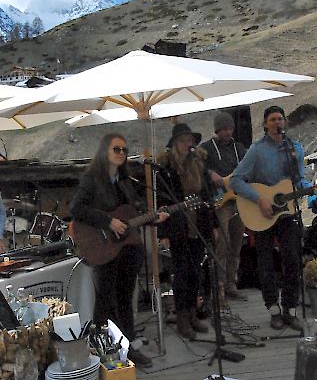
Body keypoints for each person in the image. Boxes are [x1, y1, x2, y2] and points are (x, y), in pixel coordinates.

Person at [70, 133, 167, 368]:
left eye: (124, 150)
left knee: (125, 298)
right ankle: (101, 350)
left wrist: (154, 218)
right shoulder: (92, 178)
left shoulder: (125, 180)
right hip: (103, 246)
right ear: (105, 152)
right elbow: (76, 208)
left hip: (127, 249)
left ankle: (128, 347)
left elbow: (132, 214)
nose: (122, 154)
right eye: (116, 149)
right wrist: (107, 221)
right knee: (104, 301)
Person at [230, 106, 317, 331]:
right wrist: (260, 199)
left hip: (287, 213)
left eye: (281, 118)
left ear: (285, 122)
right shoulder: (256, 151)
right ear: (266, 124)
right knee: (266, 263)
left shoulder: (295, 149)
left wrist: (312, 188)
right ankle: (273, 309)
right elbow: (236, 181)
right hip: (260, 213)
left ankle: (290, 309)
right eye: (273, 119)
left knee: (292, 259)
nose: (278, 122)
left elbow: (298, 182)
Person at [157, 123, 217, 340]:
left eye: (189, 140)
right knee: (181, 272)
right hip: (177, 225)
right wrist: (163, 232)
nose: (187, 144)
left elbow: (209, 194)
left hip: (199, 224)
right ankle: (182, 317)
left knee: (196, 271)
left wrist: (215, 225)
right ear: (175, 143)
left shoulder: (199, 163)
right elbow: (162, 202)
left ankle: (192, 314)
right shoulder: (166, 169)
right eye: (183, 141)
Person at [200, 111, 247, 304]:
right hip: (220, 203)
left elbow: (248, 166)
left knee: (236, 244)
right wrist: (210, 172)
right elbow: (196, 166)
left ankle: (231, 284)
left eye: (230, 128)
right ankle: (218, 287)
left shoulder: (239, 148)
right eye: (224, 129)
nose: (228, 132)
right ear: (217, 130)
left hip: (240, 201)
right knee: (222, 244)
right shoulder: (206, 148)